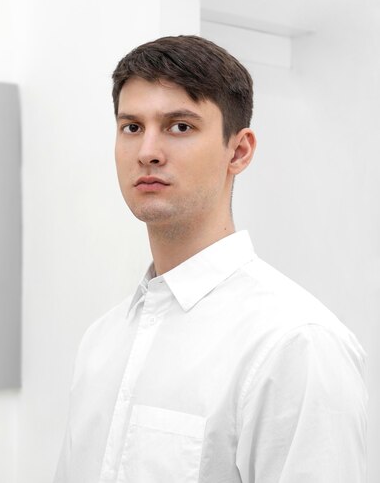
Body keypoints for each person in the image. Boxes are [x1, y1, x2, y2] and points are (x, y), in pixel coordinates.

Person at [54, 36, 367, 483]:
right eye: (132, 127)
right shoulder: (100, 342)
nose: (148, 151)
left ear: (238, 151)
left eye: (179, 126)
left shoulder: (296, 345)